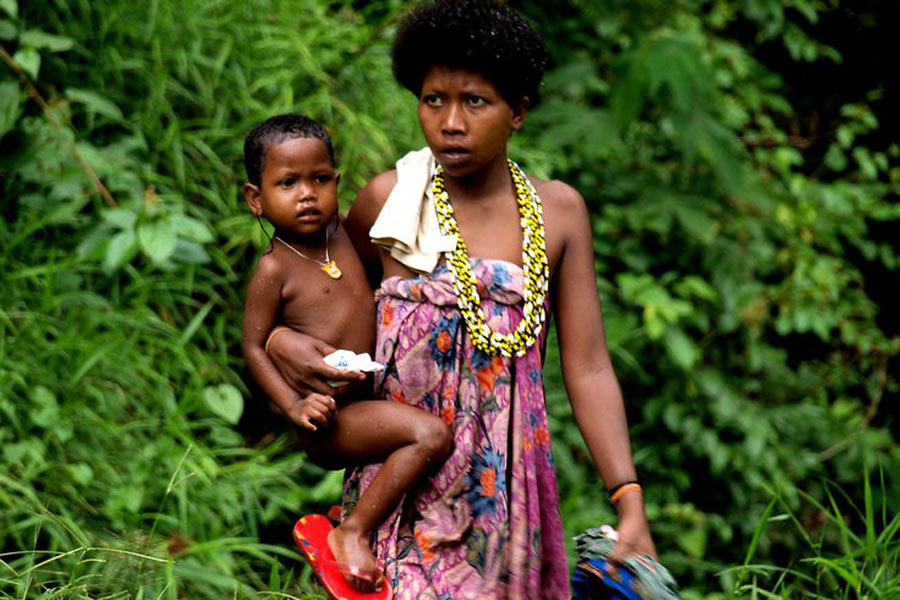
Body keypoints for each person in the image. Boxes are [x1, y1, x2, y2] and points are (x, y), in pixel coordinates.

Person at [264, 1, 657, 597]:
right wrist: (283, 343)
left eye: (474, 101)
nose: (450, 122)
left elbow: (589, 364)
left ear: (518, 111)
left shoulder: (559, 214)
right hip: (399, 490)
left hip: (505, 496)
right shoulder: (389, 203)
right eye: (433, 100)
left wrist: (628, 498)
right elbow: (323, 299)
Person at [240, 114, 453, 592]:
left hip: (367, 401)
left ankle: (363, 515)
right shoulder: (274, 269)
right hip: (330, 418)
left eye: (319, 179)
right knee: (430, 436)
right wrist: (294, 405)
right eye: (288, 183)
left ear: (337, 182)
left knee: (428, 434)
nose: (307, 193)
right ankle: (351, 532)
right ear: (256, 198)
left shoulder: (344, 235)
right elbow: (253, 346)